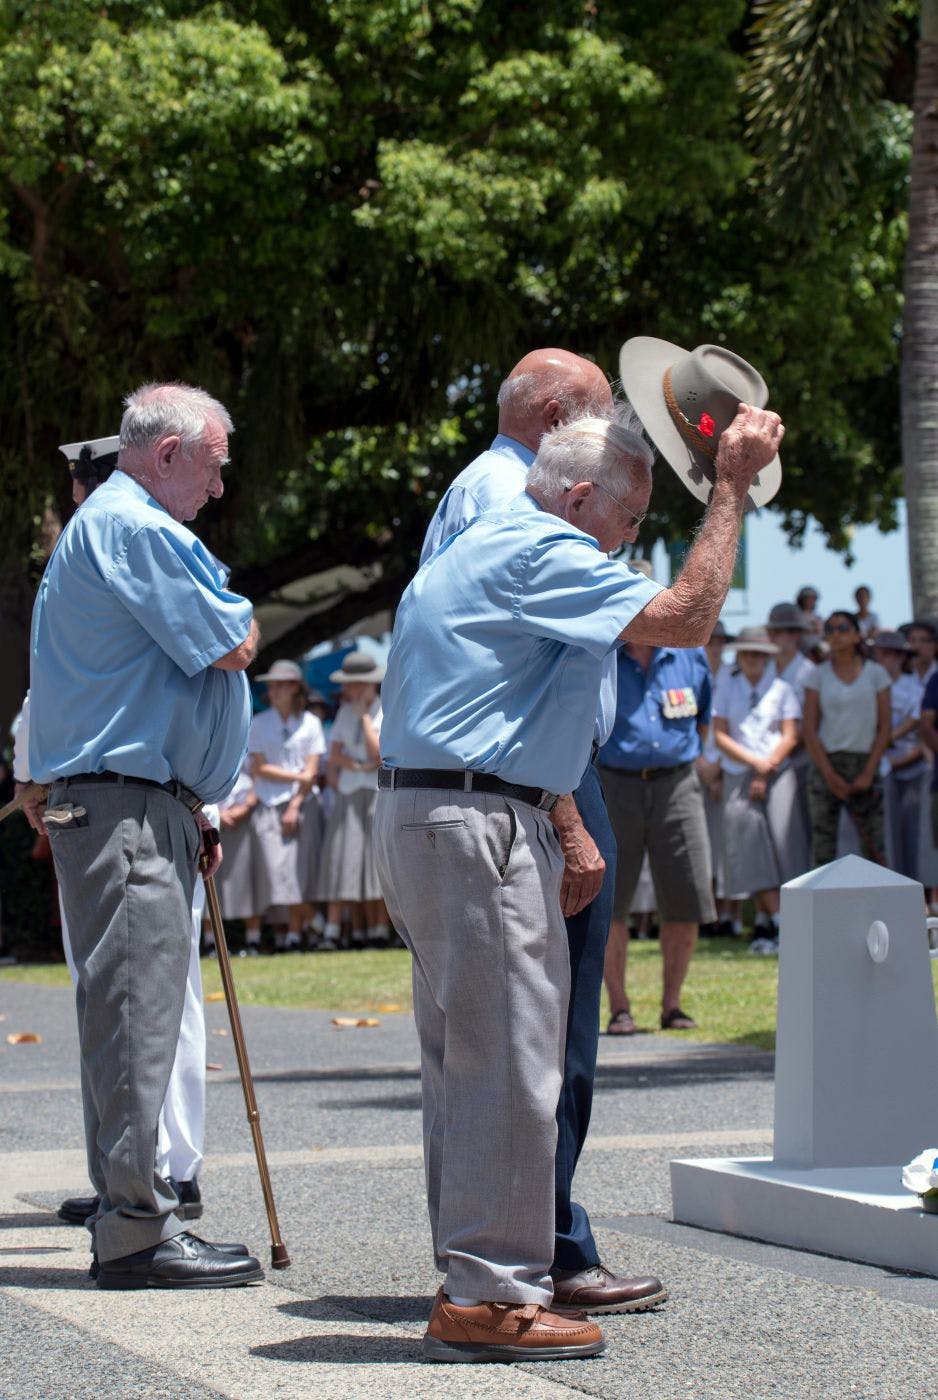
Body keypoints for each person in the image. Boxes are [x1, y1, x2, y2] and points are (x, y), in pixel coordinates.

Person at [375, 356, 783, 1362]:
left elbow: (512, 699)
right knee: (510, 1059)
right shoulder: (532, 537)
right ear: (573, 494)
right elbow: (687, 615)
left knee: (477, 1057)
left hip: (455, 807)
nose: (629, 540)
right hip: (472, 819)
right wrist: (725, 488)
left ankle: (480, 1276)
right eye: (629, 517)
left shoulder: (507, 531)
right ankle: (489, 1292)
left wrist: (556, 816)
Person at [421, 347, 649, 1316]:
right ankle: (540, 1248)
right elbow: (497, 680)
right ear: (558, 416)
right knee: (538, 1031)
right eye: (603, 417)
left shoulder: (501, 489)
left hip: (531, 775)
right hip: (529, 782)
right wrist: (563, 810)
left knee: (532, 1027)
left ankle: (540, 1241)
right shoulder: (509, 496)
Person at [25, 382, 263, 1289]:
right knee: (133, 1019)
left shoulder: (119, 523)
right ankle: (135, 1228)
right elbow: (231, 642)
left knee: (136, 1014)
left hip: (137, 800)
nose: (218, 489)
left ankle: (137, 1211)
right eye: (213, 467)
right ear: (168, 454)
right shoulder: (138, 527)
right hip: (124, 804)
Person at [14, 434, 212, 1227]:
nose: (74, 500)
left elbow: (184, 686)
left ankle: (165, 1169)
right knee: (114, 990)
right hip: (94, 793)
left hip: (139, 796)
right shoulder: (106, 547)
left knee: (153, 996)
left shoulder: (137, 542)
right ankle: (134, 1178)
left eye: (82, 483)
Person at [599, 639, 714, 1030]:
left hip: (678, 782)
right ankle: (619, 1006)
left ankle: (672, 1005)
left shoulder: (689, 655)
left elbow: (703, 718)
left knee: (686, 893)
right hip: (614, 783)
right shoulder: (601, 655)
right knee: (608, 898)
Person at [712, 627, 804, 954]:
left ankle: (775, 921)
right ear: (739, 656)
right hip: (739, 771)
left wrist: (767, 767)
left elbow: (791, 734)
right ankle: (774, 921)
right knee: (748, 850)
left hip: (778, 773)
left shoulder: (782, 689)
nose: (753, 660)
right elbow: (720, 734)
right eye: (748, 653)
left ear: (768, 657)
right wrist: (754, 763)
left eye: (759, 654)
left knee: (783, 847)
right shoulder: (726, 686)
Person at [245, 659, 325, 953]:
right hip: (268, 804)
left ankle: (295, 934)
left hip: (304, 804)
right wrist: (296, 775)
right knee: (274, 872)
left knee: (298, 872)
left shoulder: (311, 723)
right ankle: (315, 921)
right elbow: (259, 768)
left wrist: (295, 803)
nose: (274, 690)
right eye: (272, 685)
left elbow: (313, 769)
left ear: (295, 688)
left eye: (280, 684)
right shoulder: (259, 722)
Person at [801, 610, 891, 865]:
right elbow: (809, 729)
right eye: (829, 629)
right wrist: (829, 775)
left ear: (857, 635)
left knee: (874, 846)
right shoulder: (816, 675)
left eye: (842, 628)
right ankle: (820, 904)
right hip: (826, 764)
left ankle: (877, 904)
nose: (835, 635)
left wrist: (869, 771)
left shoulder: (876, 674)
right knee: (823, 846)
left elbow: (885, 728)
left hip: (866, 762)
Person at [317, 650, 388, 948]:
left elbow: (379, 755)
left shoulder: (385, 709)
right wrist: (359, 765)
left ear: (366, 684)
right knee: (343, 857)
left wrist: (365, 722)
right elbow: (334, 756)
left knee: (375, 862)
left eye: (352, 683)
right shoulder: (345, 712)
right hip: (350, 790)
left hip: (374, 793)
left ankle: (378, 929)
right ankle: (334, 931)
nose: (347, 690)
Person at [871, 631, 925, 879]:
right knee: (886, 835)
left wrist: (888, 739)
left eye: (894, 654)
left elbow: (917, 722)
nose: (888, 659)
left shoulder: (914, 687)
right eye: (883, 653)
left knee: (915, 834)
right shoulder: (867, 683)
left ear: (902, 657)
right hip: (879, 768)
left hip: (912, 768)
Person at [698, 619, 738, 938]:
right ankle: (706, 914)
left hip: (728, 768)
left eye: (720, 640)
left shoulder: (733, 677)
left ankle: (730, 914)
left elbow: (738, 728)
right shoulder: (692, 669)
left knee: (728, 844)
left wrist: (719, 767)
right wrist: (702, 765)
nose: (715, 645)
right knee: (701, 846)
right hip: (694, 766)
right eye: (711, 640)